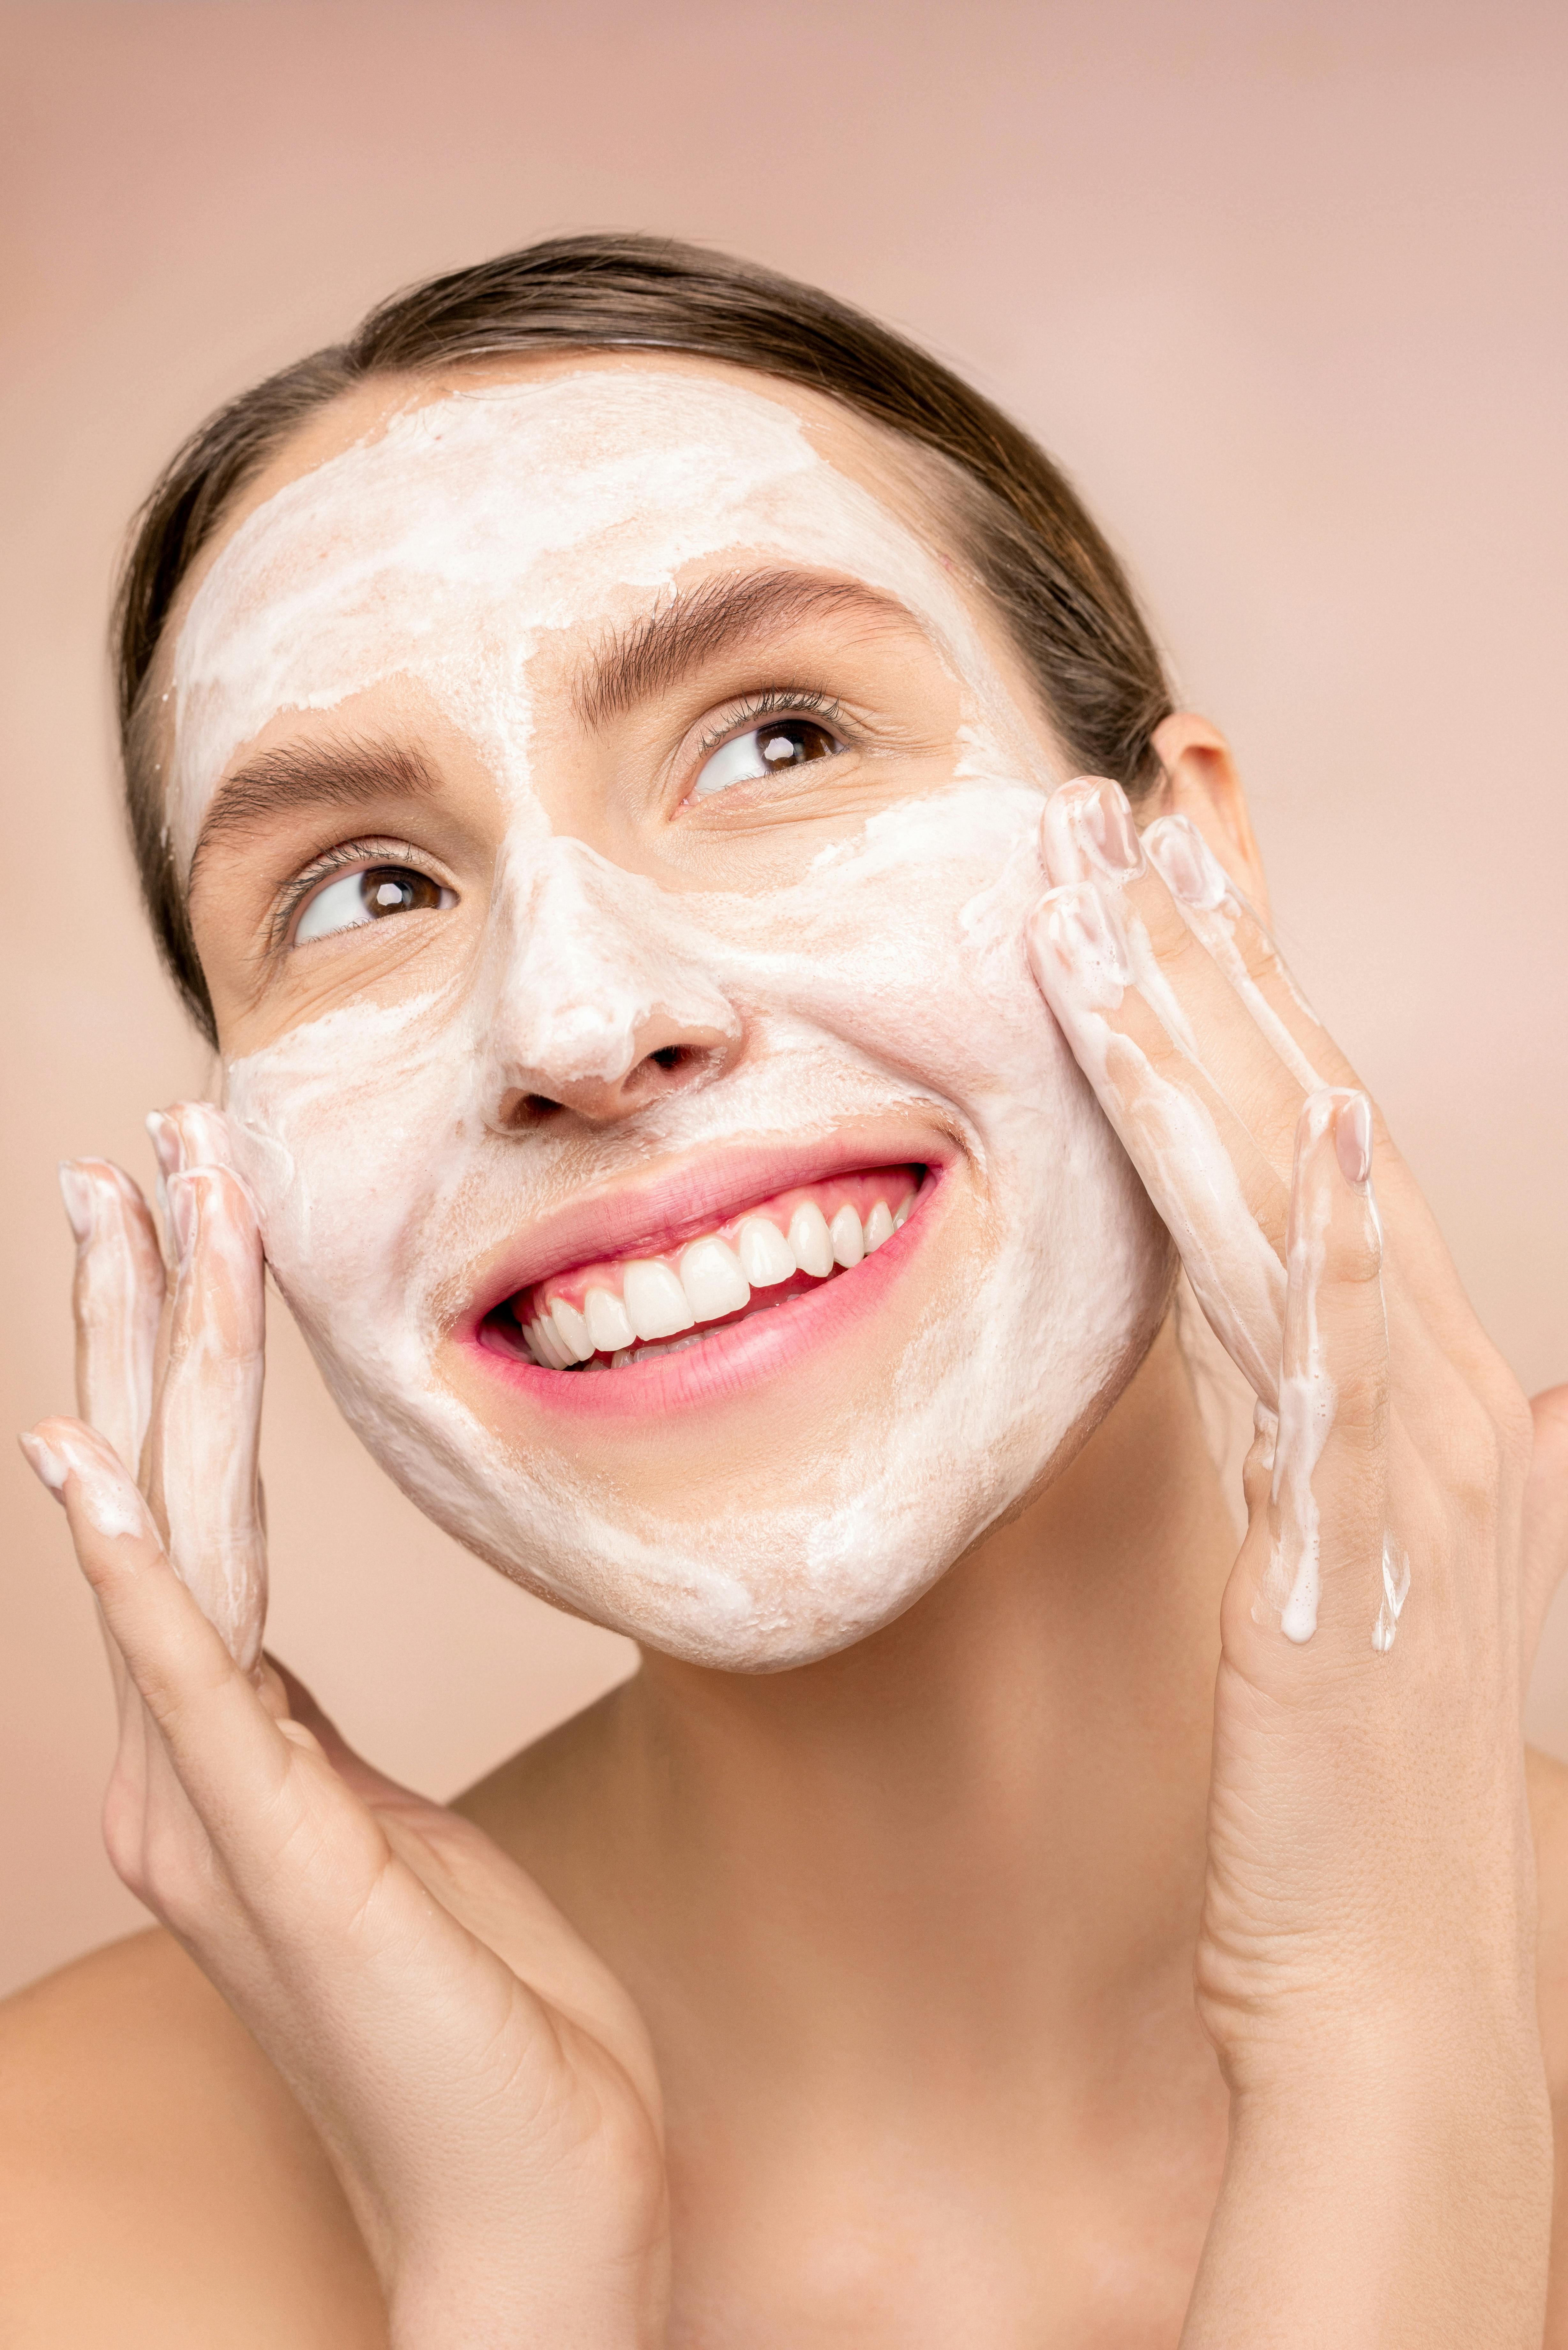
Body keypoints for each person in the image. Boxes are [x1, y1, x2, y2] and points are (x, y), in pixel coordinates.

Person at [4, 233, 1566, 2347]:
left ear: (1186, 869)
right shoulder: (57, 2219)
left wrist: (1394, 2029)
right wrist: (523, 2274)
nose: (574, 1014)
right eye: (367, 890)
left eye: (778, 742)